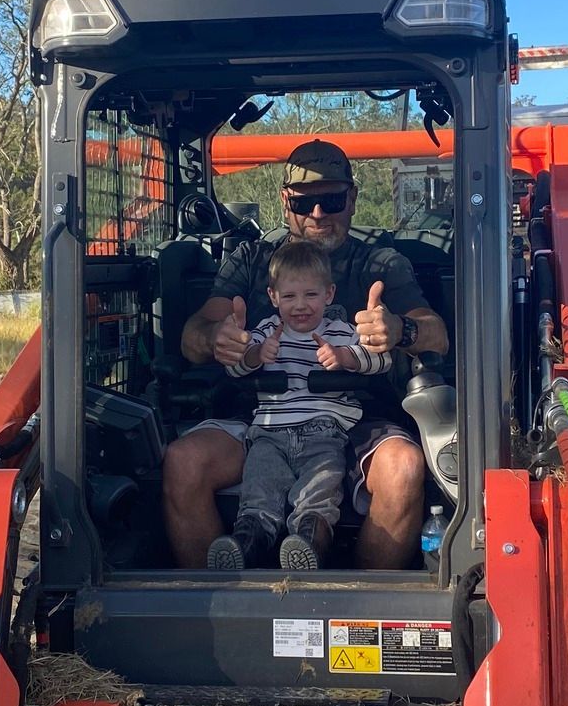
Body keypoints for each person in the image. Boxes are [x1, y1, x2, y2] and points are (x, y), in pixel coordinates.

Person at [164, 139, 450, 569]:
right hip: (260, 418)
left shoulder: (382, 264)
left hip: (356, 421)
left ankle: (358, 615)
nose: (318, 214)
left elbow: (437, 336)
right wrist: (218, 338)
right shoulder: (249, 259)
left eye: (331, 200)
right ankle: (219, 612)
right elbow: (193, 337)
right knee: (183, 462)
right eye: (304, 202)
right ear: (285, 202)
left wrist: (400, 328)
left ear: (352, 198)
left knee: (404, 467)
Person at [208, 240, 391, 572]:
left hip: (323, 433)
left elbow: (380, 361)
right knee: (259, 487)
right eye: (290, 297)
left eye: (310, 295)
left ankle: (309, 541)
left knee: (319, 489)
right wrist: (254, 356)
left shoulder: (340, 332)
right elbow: (235, 367)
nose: (301, 305)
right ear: (274, 297)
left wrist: (344, 357)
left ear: (329, 294)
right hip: (268, 433)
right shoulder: (264, 332)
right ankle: (247, 542)